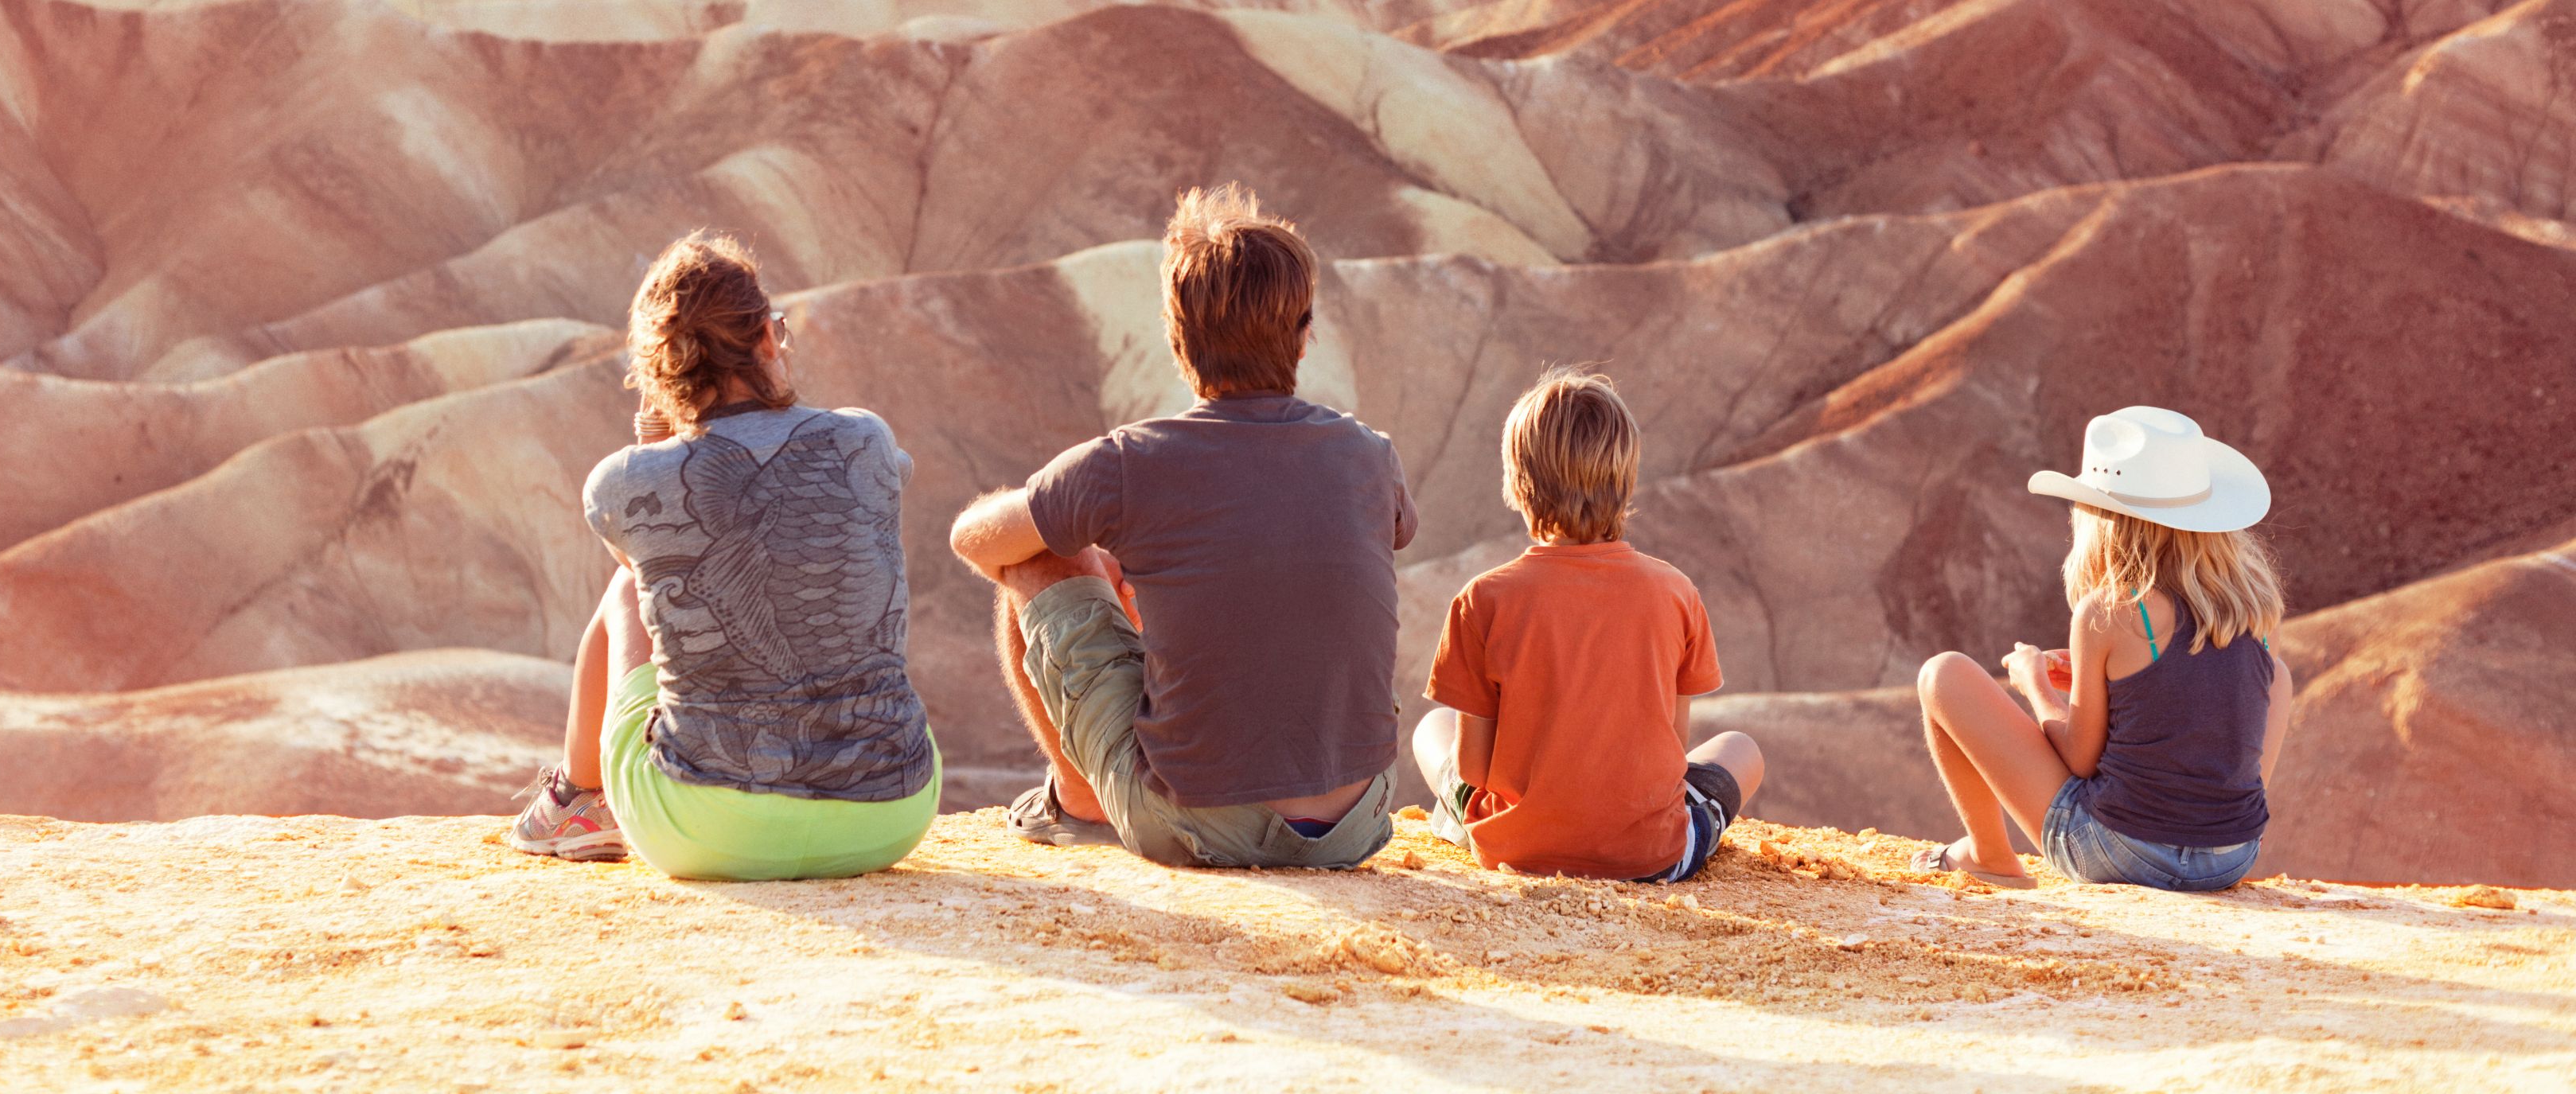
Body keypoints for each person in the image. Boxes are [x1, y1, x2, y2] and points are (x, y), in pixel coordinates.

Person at [947, 184, 1417, 870]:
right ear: (1304, 333)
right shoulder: (1369, 455)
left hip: (1197, 825)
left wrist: (1080, 540)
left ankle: (1079, 803)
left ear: (1176, 338)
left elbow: (973, 540)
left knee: (1035, 561)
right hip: (1358, 819)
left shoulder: (1131, 463)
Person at [506, 232, 938, 880]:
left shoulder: (620, 481)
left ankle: (574, 803)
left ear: (661, 371)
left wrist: (663, 432)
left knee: (630, 590)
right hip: (890, 816)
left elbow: (647, 564)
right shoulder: (866, 438)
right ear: (767, 337)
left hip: (706, 832)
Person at [1914, 405, 2291, 891]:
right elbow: (2201, 725)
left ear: (2102, 520)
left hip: (2120, 851)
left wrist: (2034, 684)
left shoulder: (2108, 611)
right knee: (2275, 673)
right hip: (2230, 858)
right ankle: (2215, 832)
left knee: (1943, 675)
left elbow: (2080, 760)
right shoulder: (2258, 611)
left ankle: (1987, 856)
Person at [1413, 368, 1763, 882]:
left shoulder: (1482, 600)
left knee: (1432, 729)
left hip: (1517, 851)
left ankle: (1474, 825)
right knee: (1741, 749)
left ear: (1517, 483)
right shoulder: (1675, 592)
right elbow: (1674, 743)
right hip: (1650, 858)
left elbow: (1472, 769)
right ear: (1625, 479)